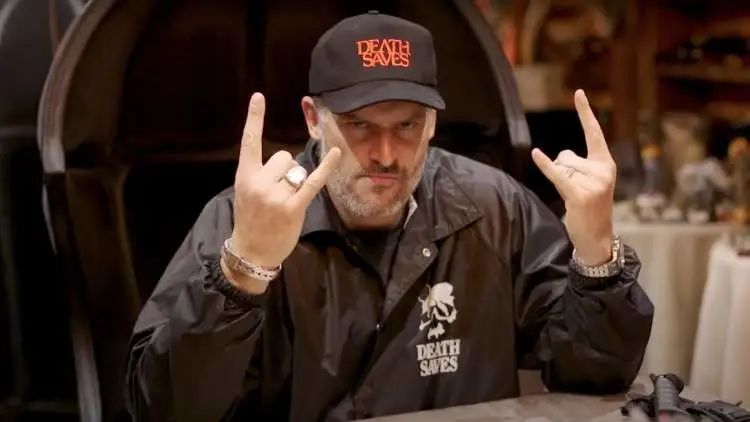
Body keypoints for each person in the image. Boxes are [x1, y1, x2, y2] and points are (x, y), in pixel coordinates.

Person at [125, 12, 653, 421]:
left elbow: (595, 376)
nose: (384, 154)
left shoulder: (495, 208)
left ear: (433, 123)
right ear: (313, 119)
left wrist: (597, 254)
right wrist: (243, 271)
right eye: (359, 125)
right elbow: (163, 409)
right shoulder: (245, 218)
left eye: (406, 125)